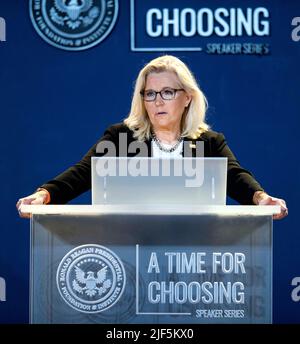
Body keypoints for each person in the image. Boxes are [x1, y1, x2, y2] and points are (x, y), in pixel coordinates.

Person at [16, 55, 288, 219]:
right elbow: (83, 173)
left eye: (168, 92)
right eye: (150, 93)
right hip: (129, 249)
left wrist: (262, 198)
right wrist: (44, 195)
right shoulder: (122, 137)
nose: (158, 101)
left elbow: (236, 178)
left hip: (193, 251)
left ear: (187, 98)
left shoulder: (209, 142)